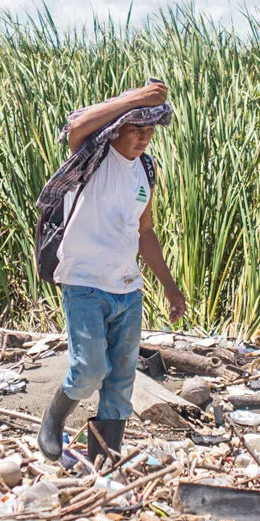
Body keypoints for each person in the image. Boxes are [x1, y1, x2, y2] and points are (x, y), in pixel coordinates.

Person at [35, 80, 187, 463]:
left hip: (127, 290)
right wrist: (138, 98)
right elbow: (76, 126)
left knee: (120, 381)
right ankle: (53, 419)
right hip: (83, 282)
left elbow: (145, 230)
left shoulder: (146, 171)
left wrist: (169, 286)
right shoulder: (92, 156)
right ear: (118, 127)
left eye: (150, 130)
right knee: (89, 369)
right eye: (137, 128)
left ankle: (102, 461)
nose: (145, 138)